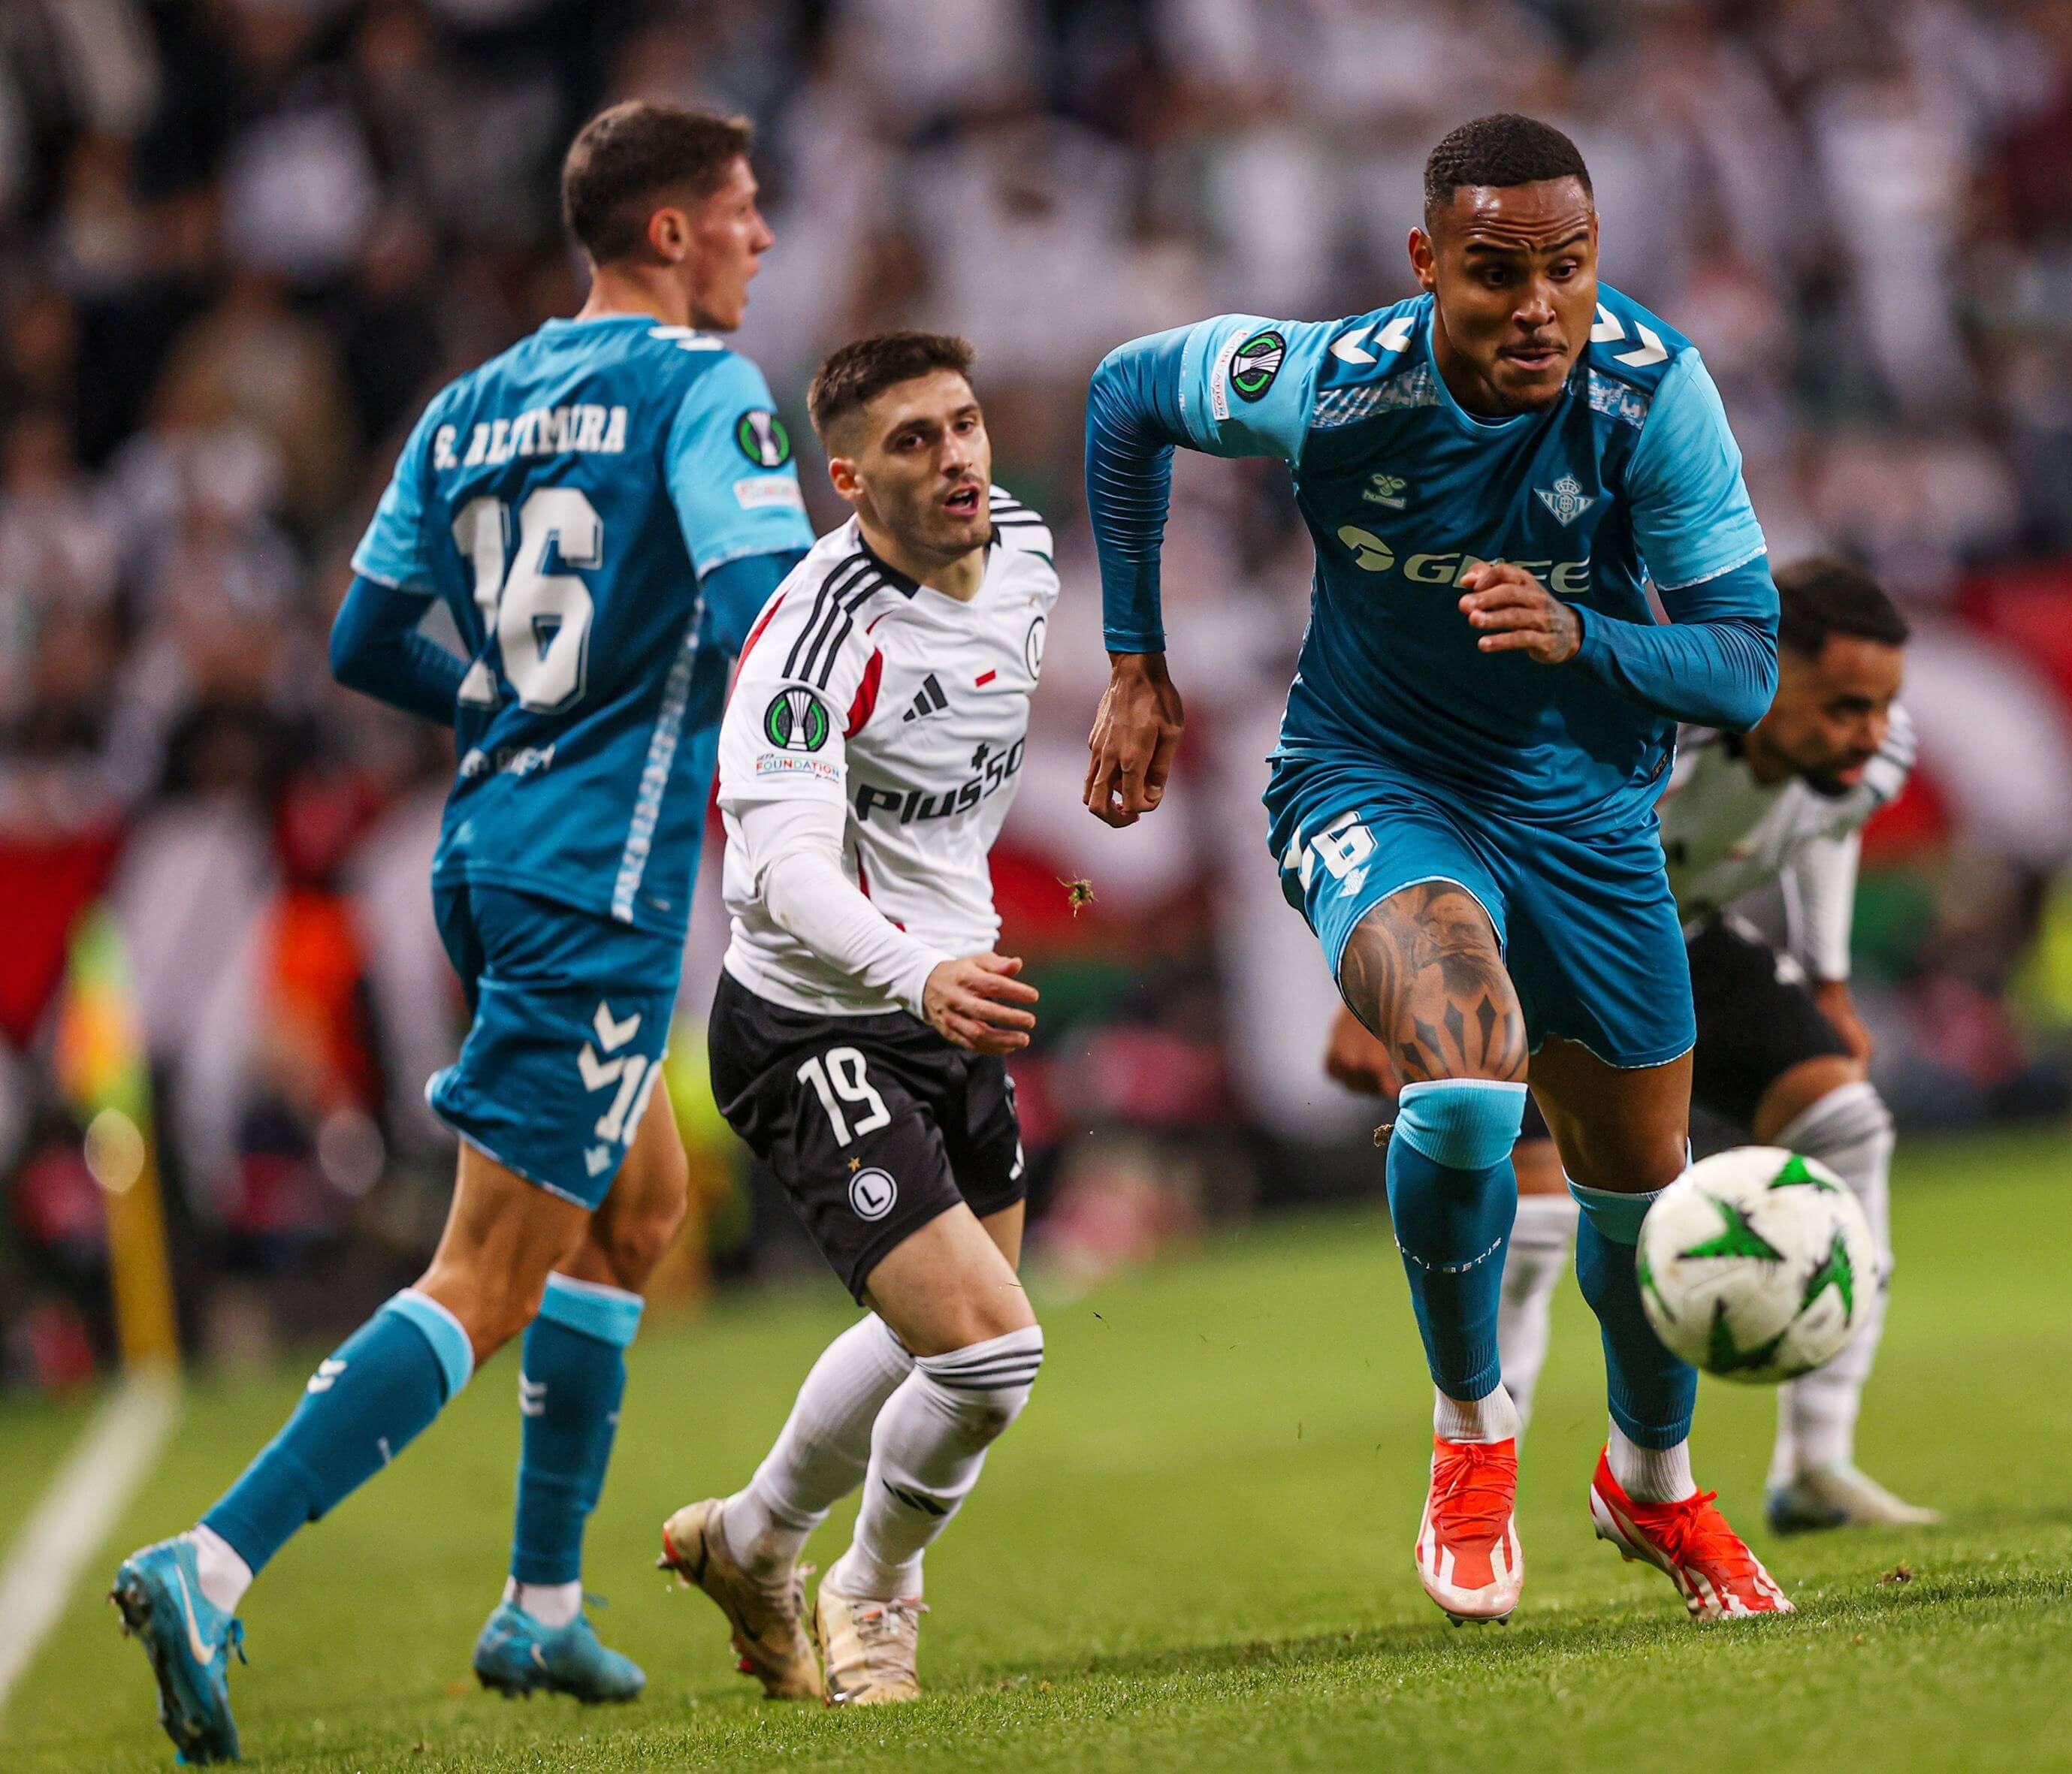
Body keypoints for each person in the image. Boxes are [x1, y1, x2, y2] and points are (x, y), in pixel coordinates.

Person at [110, 101, 813, 1761]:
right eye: (739, 211)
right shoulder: (698, 385)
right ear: (665, 235)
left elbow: (362, 635)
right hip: (597, 873)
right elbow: (750, 613)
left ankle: (542, 1607)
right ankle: (208, 1559)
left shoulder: (474, 398)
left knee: (636, 1203)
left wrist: (503, 691)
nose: (762, 238)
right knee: (488, 1268)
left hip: (485, 846)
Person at [1083, 113, 1789, 1623]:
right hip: (1373, 778)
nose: (1537, 303)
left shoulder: (1650, 393)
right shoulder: (1339, 379)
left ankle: (1647, 1482)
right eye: (1494, 272)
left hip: (1586, 820)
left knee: (1640, 1203)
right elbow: (1124, 395)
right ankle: (1472, 1435)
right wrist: (1135, 661)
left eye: (1567, 268)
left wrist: (1581, 635)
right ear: (1426, 266)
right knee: (1466, 1081)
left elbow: (1741, 668)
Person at [1325, 557, 1938, 1533]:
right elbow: (1464, 808)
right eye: (1842, 706)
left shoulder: (1874, 755)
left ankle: (1816, 1464)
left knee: (1847, 1122)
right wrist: (1384, 990)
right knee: (1532, 1229)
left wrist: (1825, 975)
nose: (1870, 731)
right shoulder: (1646, 723)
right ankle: (1483, 1491)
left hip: (1682, 937)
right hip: (1531, 941)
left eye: (1881, 706)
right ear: (1766, 675)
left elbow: (1834, 817)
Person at [662, 332, 1054, 1706]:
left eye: (964, 423)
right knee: (993, 1350)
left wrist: (1135, 683)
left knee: (933, 1337)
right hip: (818, 1021)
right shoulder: (813, 636)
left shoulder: (1027, 552)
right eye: (912, 441)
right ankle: (872, 1588)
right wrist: (916, 974)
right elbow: (778, 868)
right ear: (846, 478)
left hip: (952, 999)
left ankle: (753, 1539)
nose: (955, 457)